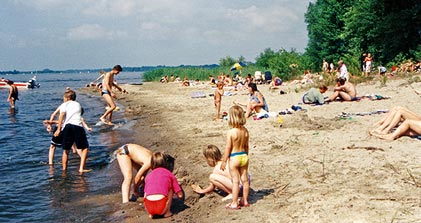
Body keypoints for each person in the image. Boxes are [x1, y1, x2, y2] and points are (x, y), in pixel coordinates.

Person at [53, 90, 91, 173]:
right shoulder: (78, 104)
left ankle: (64, 170)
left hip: (68, 127)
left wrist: (59, 129)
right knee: (84, 148)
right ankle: (81, 168)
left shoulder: (64, 104)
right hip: (78, 126)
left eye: (64, 98)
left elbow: (62, 115)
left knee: (66, 150)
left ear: (67, 98)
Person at [221, 105, 250, 209]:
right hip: (244, 155)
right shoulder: (245, 131)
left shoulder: (231, 132)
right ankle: (245, 200)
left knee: (235, 181)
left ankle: (234, 202)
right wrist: (246, 156)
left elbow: (228, 148)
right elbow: (247, 146)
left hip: (234, 156)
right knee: (245, 179)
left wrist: (224, 161)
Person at [144, 152, 184, 219]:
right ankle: (167, 212)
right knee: (170, 189)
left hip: (149, 207)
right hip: (161, 207)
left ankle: (151, 214)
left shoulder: (148, 176)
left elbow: (145, 194)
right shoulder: (169, 174)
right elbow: (180, 195)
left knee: (148, 190)